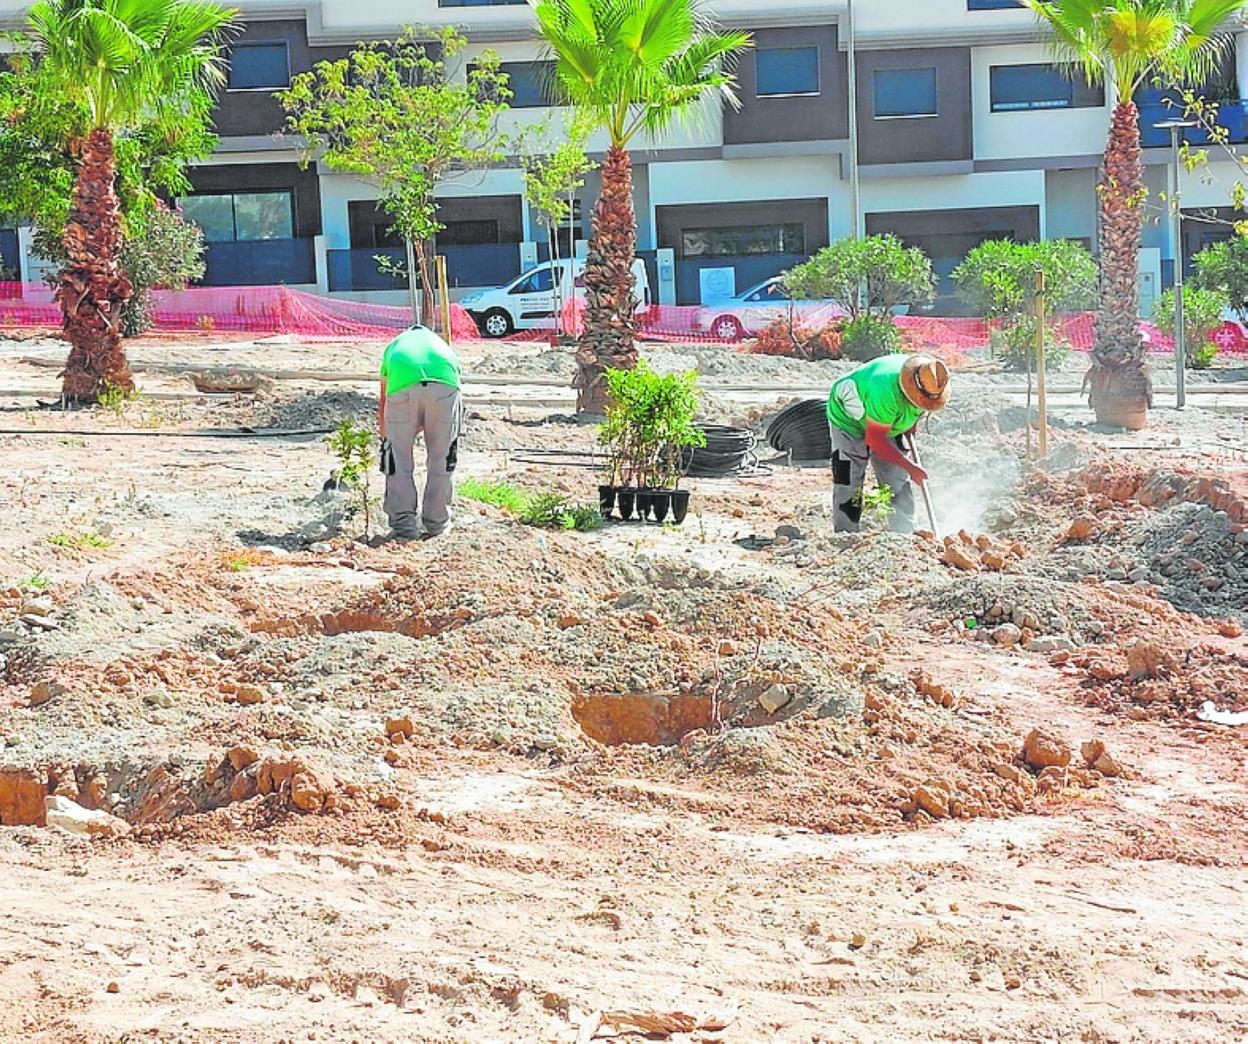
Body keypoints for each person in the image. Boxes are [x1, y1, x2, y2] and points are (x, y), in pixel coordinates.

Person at [825, 353, 949, 534]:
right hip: (848, 418)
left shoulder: (931, 378)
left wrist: (910, 425)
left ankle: (904, 532)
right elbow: (875, 440)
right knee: (848, 477)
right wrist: (910, 466)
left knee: (897, 478)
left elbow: (917, 407)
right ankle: (846, 534)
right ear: (911, 388)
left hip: (885, 419)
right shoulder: (885, 391)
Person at [378, 325, 463, 540]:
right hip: (446, 385)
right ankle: (438, 524)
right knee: (443, 458)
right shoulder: (442, 346)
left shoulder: (394, 347)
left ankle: (404, 527)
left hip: (402, 384)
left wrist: (386, 437)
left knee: (397, 459)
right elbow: (450, 390)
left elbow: (384, 399)